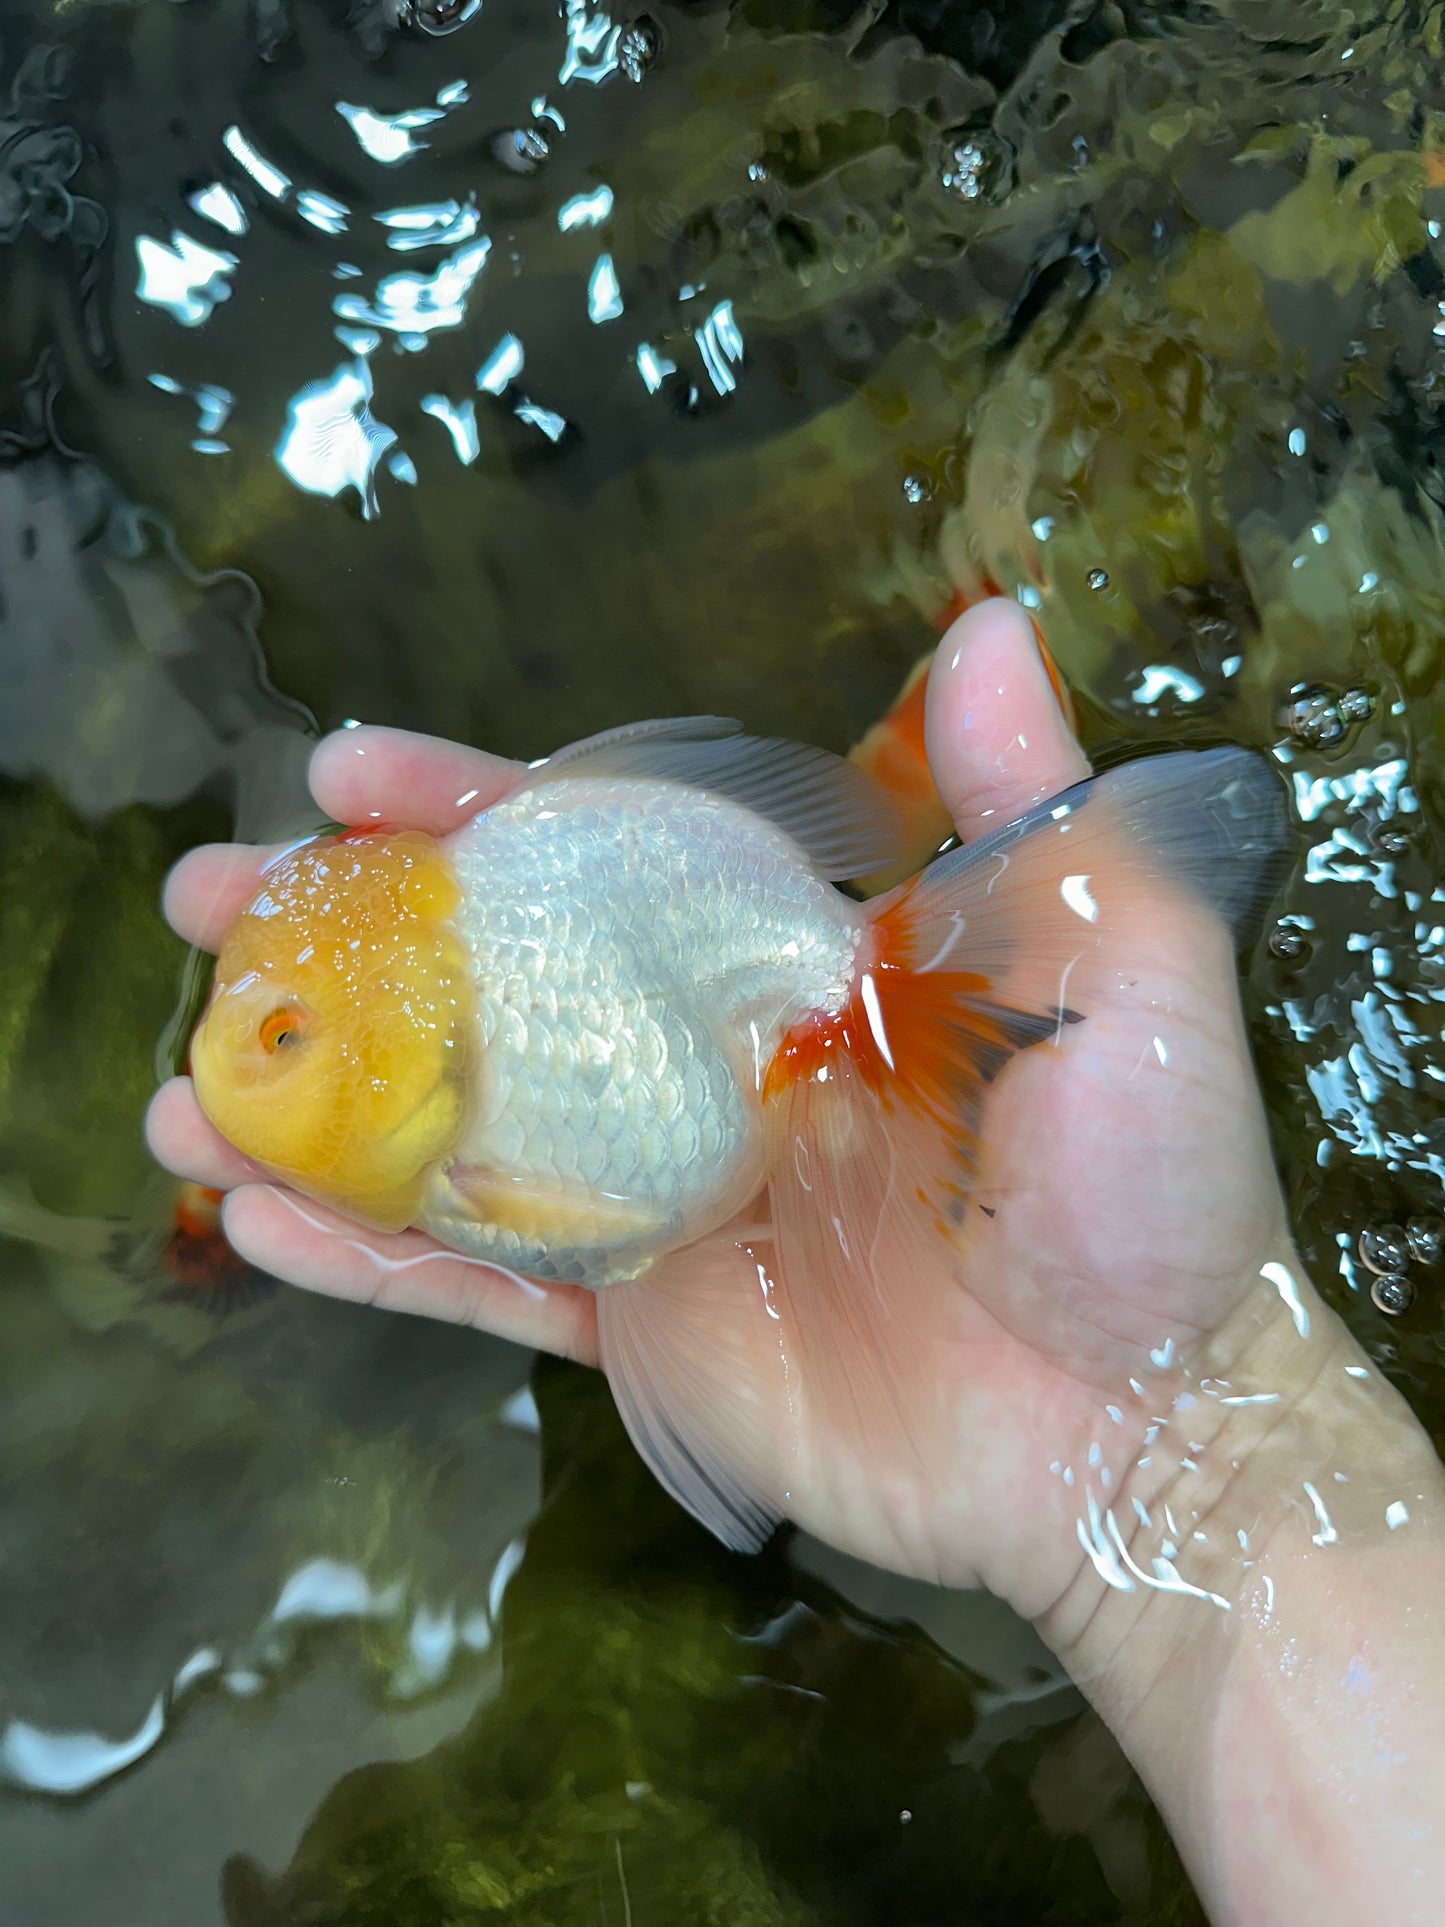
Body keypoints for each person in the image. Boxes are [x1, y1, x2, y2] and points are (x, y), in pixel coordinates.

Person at [148, 598, 1445, 1924]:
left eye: (288, 1031)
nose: (236, 1040)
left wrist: (1189, 1418)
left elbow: (598, 1208)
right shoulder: (446, 1046)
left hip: (760, 972)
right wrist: (1211, 1446)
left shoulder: (489, 1119)